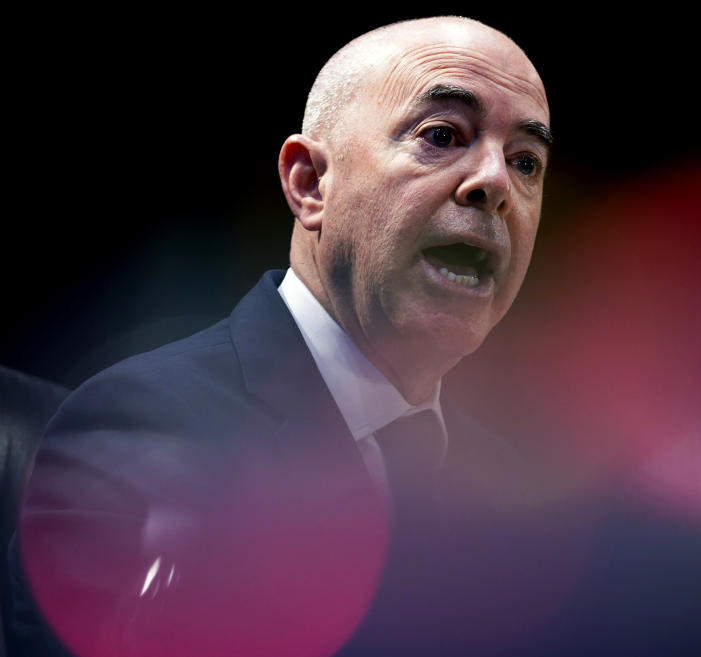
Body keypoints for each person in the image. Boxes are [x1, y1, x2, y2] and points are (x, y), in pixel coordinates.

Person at [8, 16, 560, 657]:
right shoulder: (142, 429)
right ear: (309, 184)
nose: (494, 183)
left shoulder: (512, 489)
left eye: (526, 161)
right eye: (441, 135)